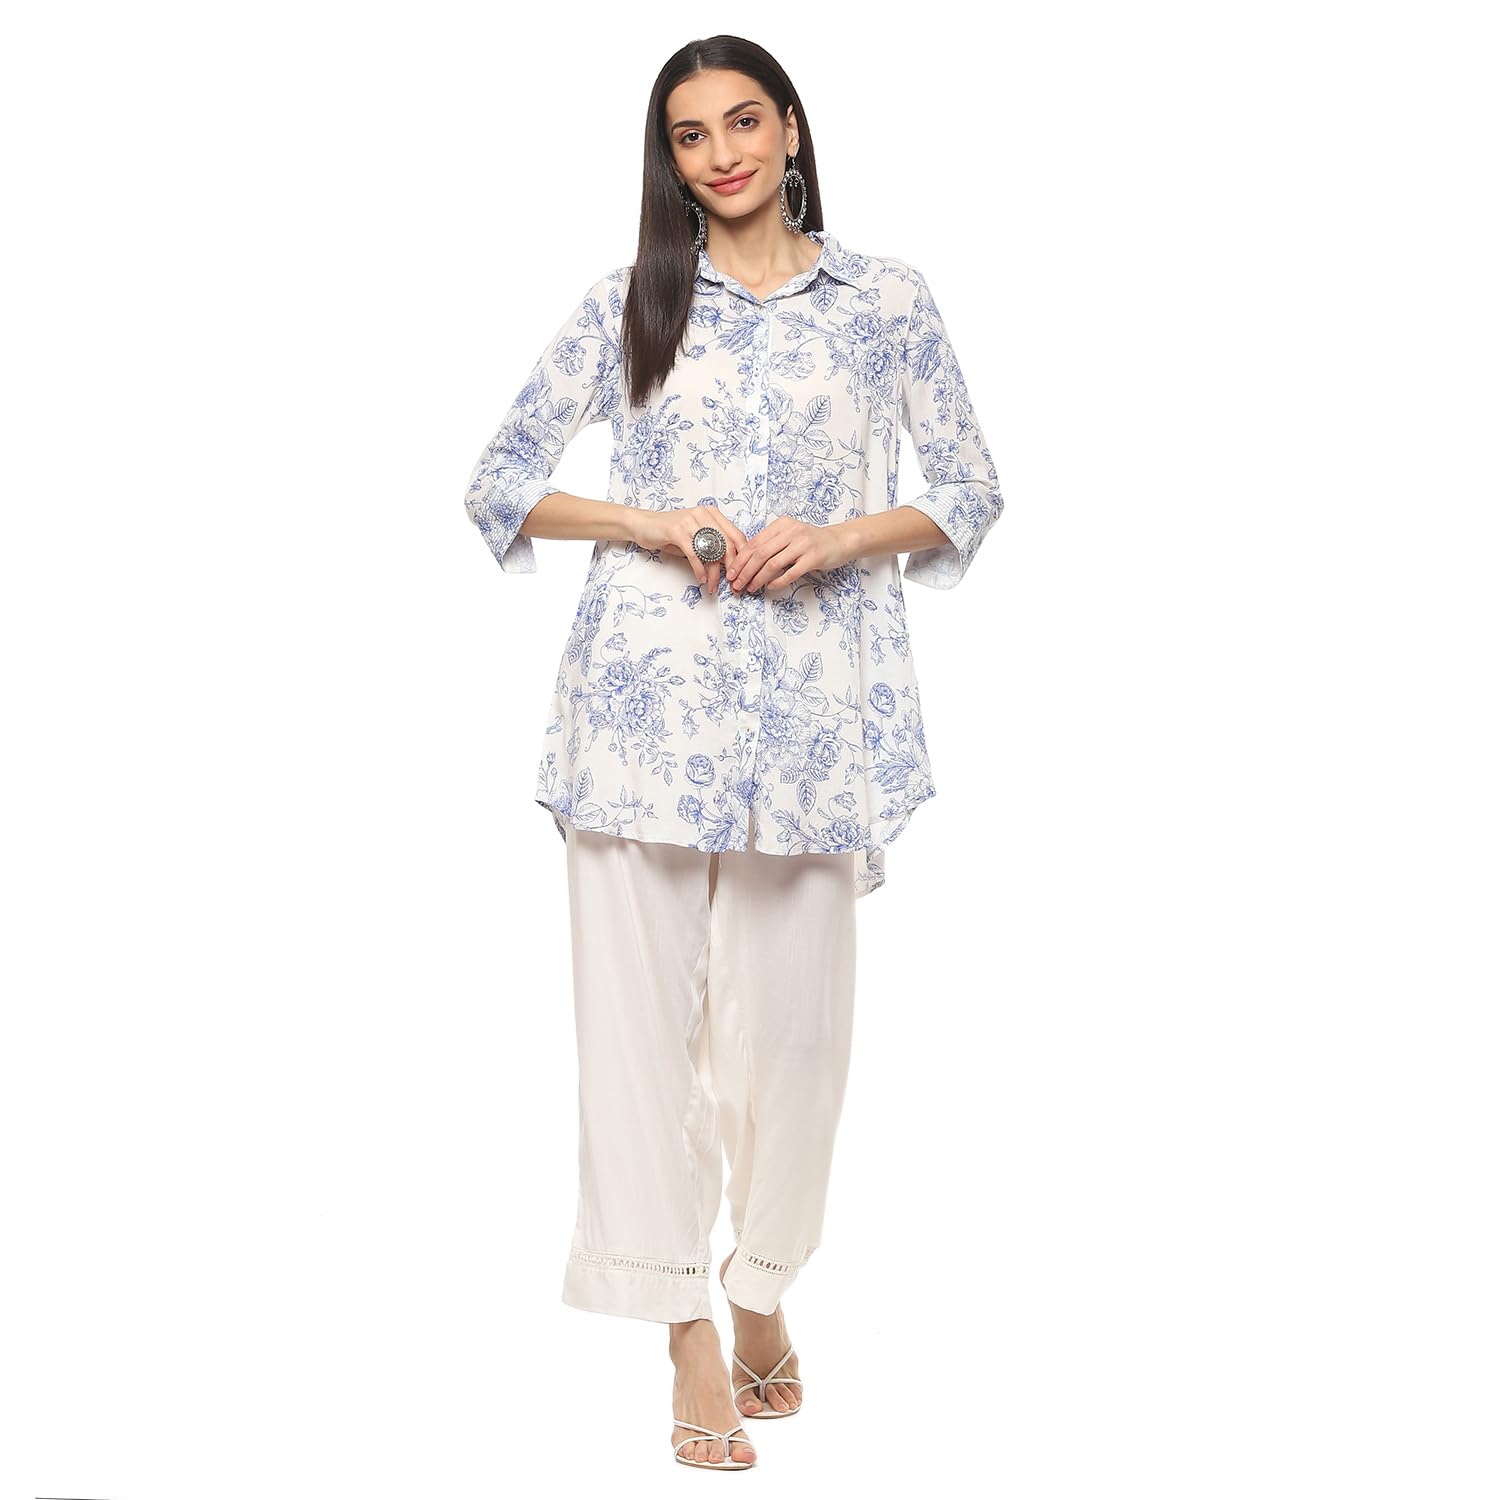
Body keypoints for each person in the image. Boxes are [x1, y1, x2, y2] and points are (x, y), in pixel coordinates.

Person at [462, 34, 1005, 1472]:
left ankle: (761, 1281)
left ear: (792, 128)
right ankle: (684, 1333)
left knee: (796, 1044)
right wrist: (648, 521)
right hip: (640, 721)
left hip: (818, 725)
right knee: (637, 1042)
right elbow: (501, 482)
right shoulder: (630, 300)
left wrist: (842, 535)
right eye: (691, 135)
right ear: (670, 159)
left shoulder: (887, 300)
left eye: (743, 122)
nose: (721, 155)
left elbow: (969, 489)